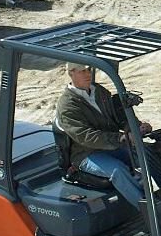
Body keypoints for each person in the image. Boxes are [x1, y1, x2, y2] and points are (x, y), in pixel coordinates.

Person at [55, 62, 153, 208]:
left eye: (89, 70)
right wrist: (119, 138)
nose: (87, 74)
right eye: (82, 71)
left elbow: (118, 116)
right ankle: (150, 211)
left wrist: (135, 127)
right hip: (86, 153)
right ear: (71, 73)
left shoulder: (99, 92)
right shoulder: (67, 105)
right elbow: (85, 136)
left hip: (111, 145)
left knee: (148, 152)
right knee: (117, 170)